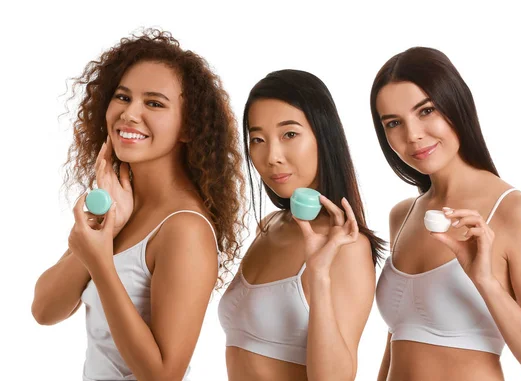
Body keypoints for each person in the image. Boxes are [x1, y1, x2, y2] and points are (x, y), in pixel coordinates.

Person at [31, 29, 245, 381]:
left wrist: (100, 262)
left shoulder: (185, 229)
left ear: (188, 127)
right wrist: (104, 229)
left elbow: (163, 375)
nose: (130, 114)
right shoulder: (118, 207)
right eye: (123, 97)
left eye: (154, 103)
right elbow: (44, 310)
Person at [372, 47, 521, 381]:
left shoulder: (517, 212)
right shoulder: (402, 215)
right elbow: (397, 340)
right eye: (394, 123)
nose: (413, 135)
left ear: (456, 104)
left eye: (426, 111)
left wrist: (485, 282)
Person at [218, 69, 385, 381]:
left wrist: (319, 274)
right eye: (257, 139)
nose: (272, 156)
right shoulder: (269, 227)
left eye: (289, 135)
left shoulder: (348, 247)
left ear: (323, 136)